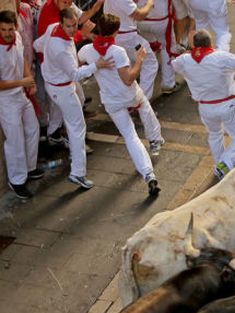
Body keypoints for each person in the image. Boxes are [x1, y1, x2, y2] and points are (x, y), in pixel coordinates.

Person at [78, 13, 162, 196]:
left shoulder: (87, 51)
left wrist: (94, 65)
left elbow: (77, 63)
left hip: (111, 101)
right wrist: (139, 59)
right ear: (116, 32)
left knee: (130, 136)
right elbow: (129, 79)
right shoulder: (118, 52)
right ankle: (155, 139)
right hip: (129, 95)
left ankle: (149, 174)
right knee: (145, 108)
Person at [33, 8, 112, 189]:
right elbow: (75, 74)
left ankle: (66, 146)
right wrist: (96, 65)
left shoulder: (53, 28)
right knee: (77, 127)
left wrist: (48, 63)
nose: (72, 29)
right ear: (61, 23)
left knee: (71, 123)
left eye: (75, 25)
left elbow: (37, 45)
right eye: (69, 26)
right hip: (63, 89)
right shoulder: (61, 49)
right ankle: (78, 173)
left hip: (54, 84)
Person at [172, 28, 235, 179]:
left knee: (214, 135)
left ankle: (220, 166)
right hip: (227, 105)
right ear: (210, 43)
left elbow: (175, 64)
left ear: (194, 45)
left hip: (205, 107)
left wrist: (188, 54)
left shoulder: (184, 61)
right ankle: (225, 164)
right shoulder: (220, 57)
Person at [0, 9, 41, 199]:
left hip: (21, 93)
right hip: (6, 100)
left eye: (10, 28)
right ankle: (17, 181)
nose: (8, 33)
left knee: (33, 129)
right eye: (3, 29)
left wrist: (29, 79)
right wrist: (21, 83)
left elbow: (23, 58)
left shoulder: (16, 37)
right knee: (14, 140)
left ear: (16, 26)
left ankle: (30, 168)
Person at [103, 0, 159, 99]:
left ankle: (127, 99)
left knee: (125, 68)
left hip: (115, 36)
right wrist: (150, 3)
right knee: (150, 63)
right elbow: (139, 15)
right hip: (127, 37)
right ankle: (141, 101)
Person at [136, 0, 182, 94]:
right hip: (160, 21)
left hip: (140, 20)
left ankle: (141, 76)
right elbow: (178, 5)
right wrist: (181, 15)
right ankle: (168, 83)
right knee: (167, 48)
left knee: (145, 48)